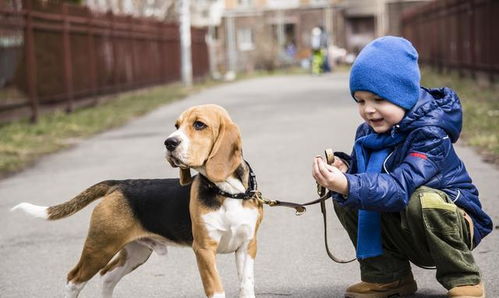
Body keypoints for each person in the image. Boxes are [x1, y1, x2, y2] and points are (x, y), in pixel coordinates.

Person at [312, 36, 492, 298]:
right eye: (360, 101)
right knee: (348, 196)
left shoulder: (430, 133)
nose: (368, 110)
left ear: (404, 96)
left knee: (421, 198)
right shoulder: (367, 132)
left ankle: (464, 278)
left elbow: (399, 185)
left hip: (452, 224)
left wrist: (351, 184)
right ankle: (388, 277)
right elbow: (368, 181)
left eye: (378, 99)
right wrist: (345, 171)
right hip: (407, 221)